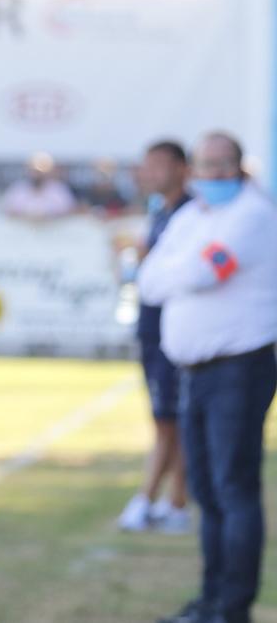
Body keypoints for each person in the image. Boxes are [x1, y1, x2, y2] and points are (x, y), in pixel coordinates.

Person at [138, 132, 277, 623]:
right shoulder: (194, 216)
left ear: (239, 168)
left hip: (239, 368)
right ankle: (210, 599)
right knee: (205, 490)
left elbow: (204, 272)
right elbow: (149, 279)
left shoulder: (253, 215)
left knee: (233, 488)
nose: (213, 174)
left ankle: (232, 606)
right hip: (194, 371)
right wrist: (181, 269)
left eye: (223, 165)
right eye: (205, 165)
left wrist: (180, 270)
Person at [117, 140, 192, 534]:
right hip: (152, 329)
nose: (149, 173)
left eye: (158, 165)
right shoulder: (161, 210)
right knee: (168, 419)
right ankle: (175, 501)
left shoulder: (190, 213)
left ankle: (150, 499)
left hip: (171, 333)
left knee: (169, 419)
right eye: (146, 165)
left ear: (181, 168)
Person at [2, 152, 77, 219]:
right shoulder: (18, 189)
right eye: (35, 170)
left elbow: (69, 211)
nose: (37, 174)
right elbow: (7, 211)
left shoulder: (59, 189)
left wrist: (48, 216)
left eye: (41, 170)